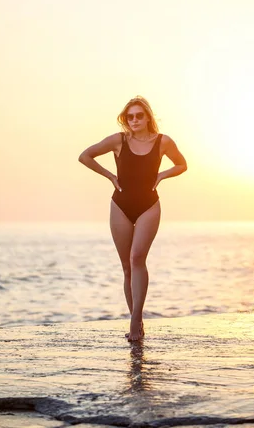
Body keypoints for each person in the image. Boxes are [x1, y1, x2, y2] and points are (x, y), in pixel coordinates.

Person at [78, 96, 187, 341]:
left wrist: (162, 174)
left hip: (149, 205)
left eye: (139, 115)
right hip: (120, 205)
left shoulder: (163, 141)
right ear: (126, 119)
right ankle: (135, 318)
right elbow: (85, 156)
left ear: (148, 117)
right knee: (127, 266)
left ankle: (136, 320)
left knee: (138, 257)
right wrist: (109, 175)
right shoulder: (119, 140)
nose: (135, 120)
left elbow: (182, 164)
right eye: (130, 116)